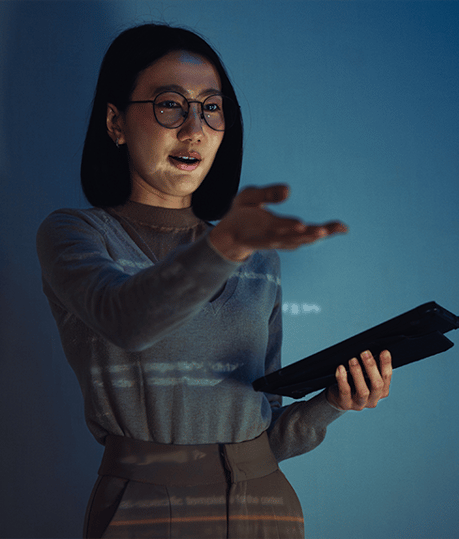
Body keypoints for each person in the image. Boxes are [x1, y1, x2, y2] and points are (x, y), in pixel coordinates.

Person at [36, 23, 392, 539]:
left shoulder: (256, 254)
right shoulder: (75, 233)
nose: (194, 129)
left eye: (211, 108)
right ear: (115, 122)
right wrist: (226, 245)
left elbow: (263, 434)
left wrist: (333, 404)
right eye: (170, 105)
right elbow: (128, 320)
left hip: (267, 509)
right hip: (146, 510)